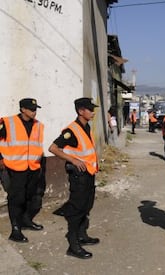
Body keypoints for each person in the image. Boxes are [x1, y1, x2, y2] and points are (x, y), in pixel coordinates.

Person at [48, 97, 100, 259]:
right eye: (89, 109)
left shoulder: (86, 127)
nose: (92, 112)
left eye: (92, 109)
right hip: (79, 176)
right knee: (77, 209)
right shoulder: (72, 130)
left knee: (86, 206)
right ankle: (73, 244)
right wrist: (73, 160)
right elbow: (53, 148)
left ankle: (82, 235)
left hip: (89, 174)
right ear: (80, 111)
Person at [0, 98, 45, 243]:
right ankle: (15, 230)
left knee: (30, 195)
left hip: (33, 167)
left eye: (35, 109)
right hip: (14, 166)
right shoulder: (7, 122)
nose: (34, 112)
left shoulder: (38, 125)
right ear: (23, 109)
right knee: (16, 198)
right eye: (31, 109)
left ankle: (25, 221)